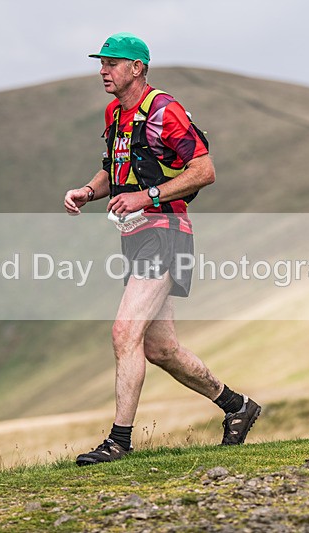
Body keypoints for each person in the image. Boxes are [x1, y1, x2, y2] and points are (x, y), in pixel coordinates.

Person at [63, 32, 261, 465]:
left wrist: (148, 197)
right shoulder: (115, 112)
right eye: (102, 62)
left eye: (112, 63)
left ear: (137, 68)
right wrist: (87, 191)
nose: (102, 70)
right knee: (161, 349)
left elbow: (204, 170)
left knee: (123, 332)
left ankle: (119, 441)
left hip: (167, 231)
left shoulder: (165, 110)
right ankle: (237, 407)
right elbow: (113, 169)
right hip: (135, 235)